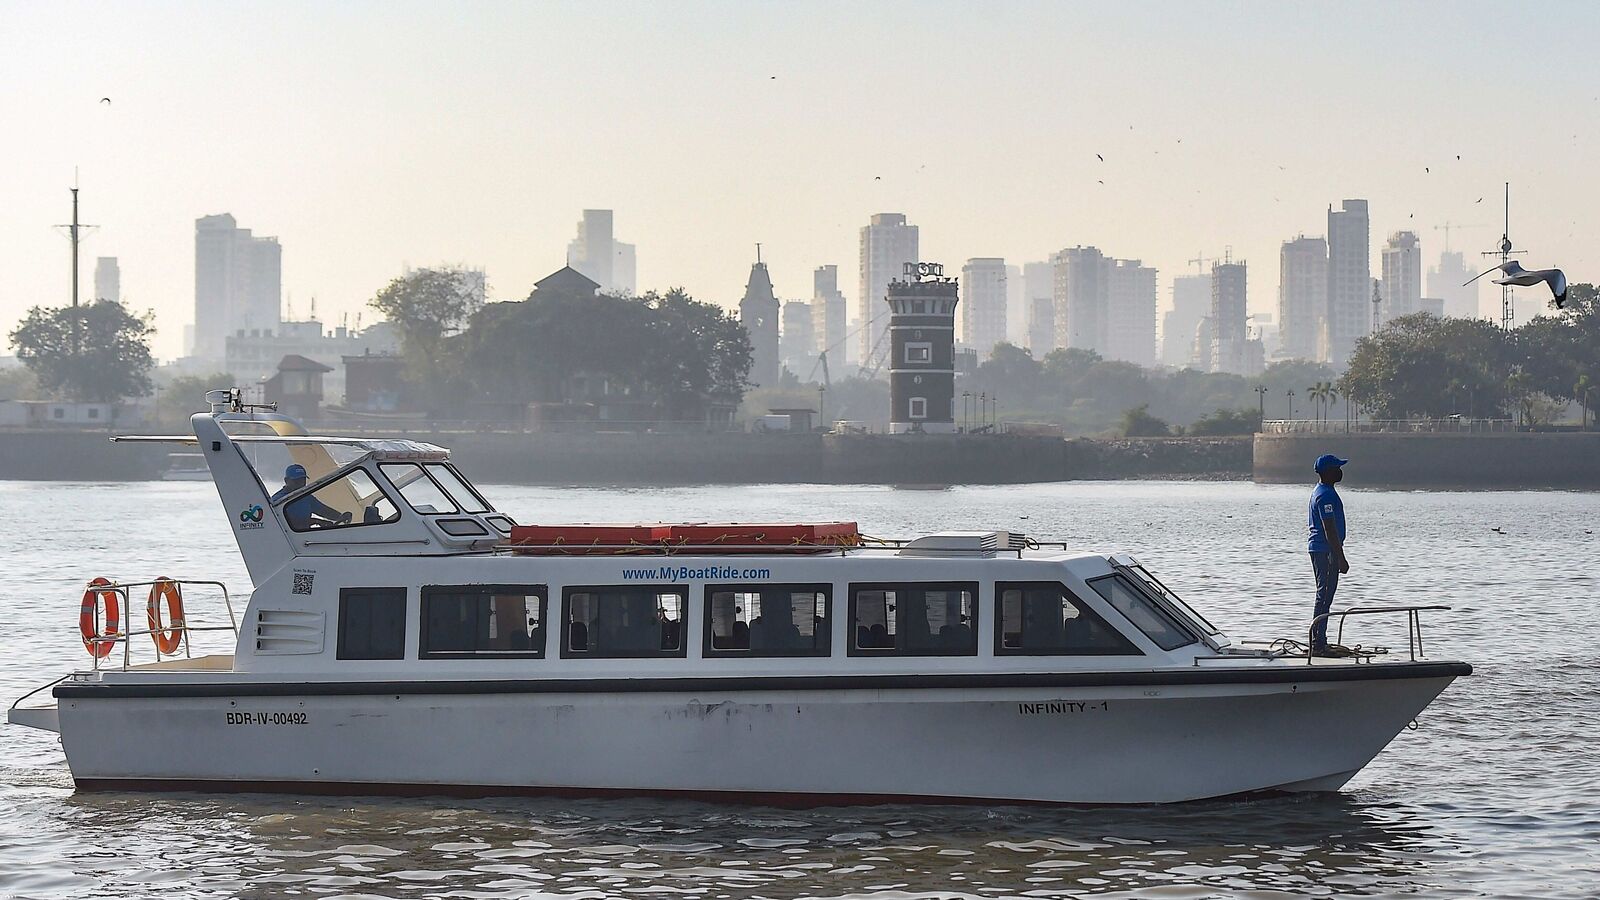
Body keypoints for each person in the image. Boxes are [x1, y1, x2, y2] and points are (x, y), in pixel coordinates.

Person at [1307, 453, 1349, 657]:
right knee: (1324, 596)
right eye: (1337, 468)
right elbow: (1329, 527)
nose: (1340, 471)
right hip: (1325, 551)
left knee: (1325, 595)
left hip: (1325, 549)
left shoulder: (1324, 491)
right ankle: (1318, 644)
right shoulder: (1325, 495)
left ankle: (1320, 639)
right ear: (1328, 472)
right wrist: (1340, 556)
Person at [270, 463, 350, 530]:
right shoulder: (277, 501)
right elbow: (284, 523)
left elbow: (323, 510)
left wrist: (340, 516)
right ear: (286, 480)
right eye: (297, 481)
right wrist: (316, 521)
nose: (301, 484)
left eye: (303, 480)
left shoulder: (306, 498)